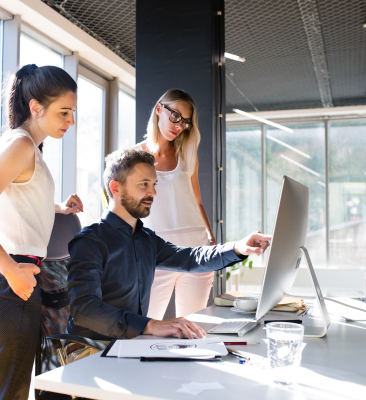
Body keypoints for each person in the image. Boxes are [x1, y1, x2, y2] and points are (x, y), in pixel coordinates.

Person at [0, 64, 83, 400]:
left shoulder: (25, 146)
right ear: (36, 107)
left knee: (0, 391)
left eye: (73, 112)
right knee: (7, 393)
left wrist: (58, 207)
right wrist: (11, 272)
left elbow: (14, 200)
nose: (70, 121)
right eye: (64, 112)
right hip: (6, 279)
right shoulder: (22, 145)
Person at [66, 148, 271, 340]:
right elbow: (84, 309)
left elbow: (189, 258)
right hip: (89, 348)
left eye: (154, 184)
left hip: (129, 345)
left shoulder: (146, 239)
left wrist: (238, 248)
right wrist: (149, 325)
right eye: (143, 184)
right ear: (116, 187)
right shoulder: (90, 241)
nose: (153, 192)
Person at [133, 89, 217, 320]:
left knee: (193, 328)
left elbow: (197, 201)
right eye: (175, 116)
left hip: (196, 252)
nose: (179, 125)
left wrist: (210, 240)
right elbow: (124, 211)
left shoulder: (188, 155)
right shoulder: (132, 157)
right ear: (159, 109)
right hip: (154, 254)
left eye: (185, 122)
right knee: (144, 328)